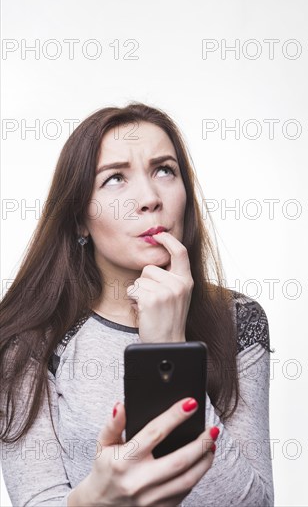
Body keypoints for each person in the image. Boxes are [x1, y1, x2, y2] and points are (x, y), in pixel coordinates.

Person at [0, 103, 275, 506]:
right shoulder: (29, 343)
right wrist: (96, 499)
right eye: (114, 179)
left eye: (165, 170)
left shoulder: (237, 322)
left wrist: (169, 347)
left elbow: (253, 503)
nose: (149, 198)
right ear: (79, 218)